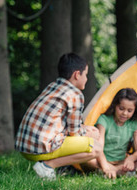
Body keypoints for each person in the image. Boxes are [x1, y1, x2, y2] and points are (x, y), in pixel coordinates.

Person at [15, 53, 101, 181]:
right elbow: (74, 134)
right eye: (86, 74)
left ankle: (47, 166)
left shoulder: (53, 86)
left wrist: (85, 128)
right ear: (77, 74)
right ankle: (47, 166)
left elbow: (59, 124)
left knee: (88, 134)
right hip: (39, 149)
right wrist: (90, 133)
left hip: (24, 148)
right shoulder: (75, 94)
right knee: (96, 148)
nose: (86, 79)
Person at [80, 88, 137, 179]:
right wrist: (106, 167)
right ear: (115, 106)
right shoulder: (104, 120)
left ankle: (112, 171)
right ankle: (115, 171)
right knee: (86, 157)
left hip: (121, 162)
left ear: (134, 111)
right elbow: (99, 147)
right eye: (121, 109)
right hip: (101, 161)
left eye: (129, 111)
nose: (125, 113)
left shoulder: (134, 123)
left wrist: (131, 159)